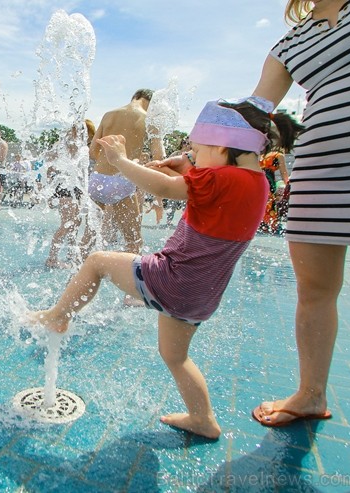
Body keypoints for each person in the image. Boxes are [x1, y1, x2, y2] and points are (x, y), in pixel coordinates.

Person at [28, 98, 303, 439]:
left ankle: (58, 314)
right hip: (201, 294)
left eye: (197, 151)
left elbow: (163, 187)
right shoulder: (258, 182)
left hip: (172, 278)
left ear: (220, 146)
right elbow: (205, 174)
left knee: (97, 261)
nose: (193, 158)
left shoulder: (218, 180)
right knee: (175, 356)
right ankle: (203, 419)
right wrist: (188, 162)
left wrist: (120, 160)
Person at [250, 0, 350, 428]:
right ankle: (310, 394)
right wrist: (201, 162)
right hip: (319, 171)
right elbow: (254, 112)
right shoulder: (290, 42)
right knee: (313, 291)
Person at [79, 89, 165, 258]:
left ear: (135, 97)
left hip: (97, 179)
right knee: (133, 241)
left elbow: (92, 151)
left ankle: (78, 273)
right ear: (151, 102)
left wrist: (108, 161)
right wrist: (158, 198)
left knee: (89, 235)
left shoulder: (109, 114)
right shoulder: (151, 119)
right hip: (122, 180)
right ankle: (133, 281)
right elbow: (159, 158)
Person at [45, 125, 86, 268]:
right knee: (66, 224)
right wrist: (50, 194)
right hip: (65, 186)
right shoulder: (64, 144)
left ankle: (71, 253)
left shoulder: (79, 143)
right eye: (78, 129)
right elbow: (50, 167)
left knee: (75, 223)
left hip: (76, 186)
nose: (80, 132)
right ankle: (52, 259)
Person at [257, 149, 290, 234]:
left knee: (261, 203)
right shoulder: (278, 155)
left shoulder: (261, 155)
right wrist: (288, 185)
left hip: (259, 181)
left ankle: (260, 225)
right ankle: (270, 226)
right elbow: (284, 174)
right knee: (270, 204)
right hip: (269, 182)